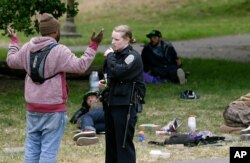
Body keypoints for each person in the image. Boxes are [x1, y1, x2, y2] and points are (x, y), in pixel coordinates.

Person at [6, 13, 103, 163]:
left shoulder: (27, 48)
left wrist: (14, 42)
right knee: (48, 151)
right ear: (56, 32)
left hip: (32, 108)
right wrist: (93, 45)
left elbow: (11, 61)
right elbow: (80, 66)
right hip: (53, 109)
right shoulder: (59, 51)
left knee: (31, 147)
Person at [100, 25, 146, 163]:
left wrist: (109, 56)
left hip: (125, 104)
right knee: (111, 144)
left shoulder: (133, 57)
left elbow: (120, 71)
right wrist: (105, 83)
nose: (113, 42)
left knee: (123, 144)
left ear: (127, 40)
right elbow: (110, 74)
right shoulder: (115, 56)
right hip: (111, 102)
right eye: (112, 38)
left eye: (116, 39)